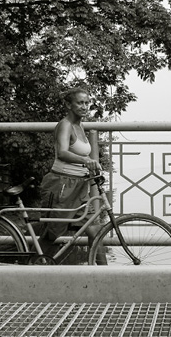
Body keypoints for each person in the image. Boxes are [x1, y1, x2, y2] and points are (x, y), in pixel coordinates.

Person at [37, 87, 107, 264]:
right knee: (51, 234)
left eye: (87, 103)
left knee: (95, 231)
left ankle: (105, 275)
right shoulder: (66, 125)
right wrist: (86, 160)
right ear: (68, 104)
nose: (85, 106)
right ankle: (29, 268)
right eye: (80, 103)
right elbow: (62, 152)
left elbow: (80, 155)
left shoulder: (80, 126)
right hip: (62, 185)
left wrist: (90, 166)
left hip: (81, 186)